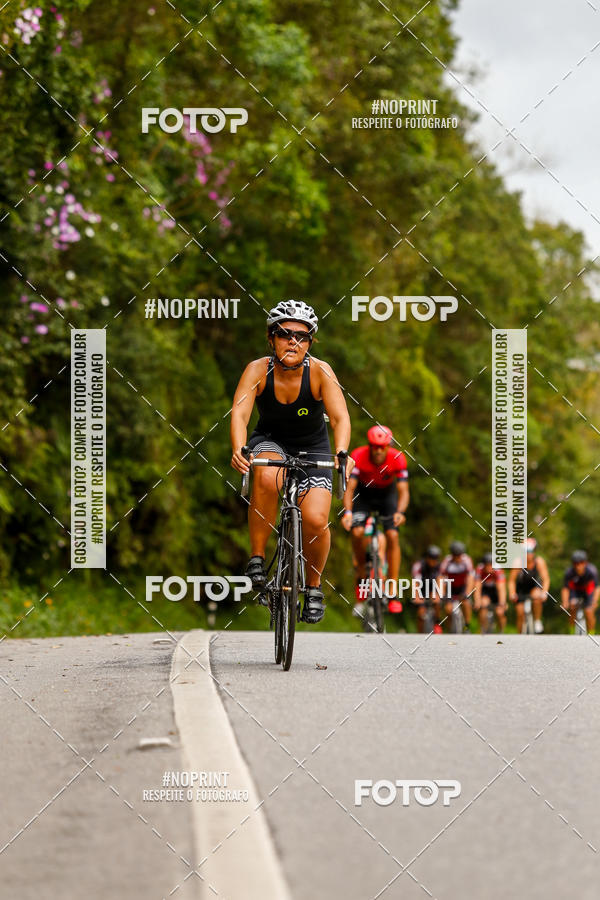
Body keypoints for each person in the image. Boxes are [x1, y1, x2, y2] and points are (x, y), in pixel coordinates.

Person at [230, 300, 352, 624]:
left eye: (302, 335)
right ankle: (257, 558)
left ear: (310, 342)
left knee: (315, 520)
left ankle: (313, 587)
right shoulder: (258, 370)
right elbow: (240, 413)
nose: (293, 341)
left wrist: (341, 453)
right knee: (267, 477)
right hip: (270, 441)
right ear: (271, 339)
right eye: (284, 334)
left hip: (313, 448)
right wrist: (238, 448)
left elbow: (340, 418)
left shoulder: (321, 371)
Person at [341, 425, 409, 616]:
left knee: (392, 535)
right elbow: (350, 488)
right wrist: (347, 512)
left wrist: (400, 512)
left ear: (389, 446)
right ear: (370, 445)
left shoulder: (398, 458)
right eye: (374, 446)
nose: (378, 450)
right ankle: (361, 568)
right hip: (364, 496)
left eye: (382, 446)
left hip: (387, 496)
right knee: (356, 531)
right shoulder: (359, 455)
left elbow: (403, 491)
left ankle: (392, 589)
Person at [508, 537, 550, 634]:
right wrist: (512, 593)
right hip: (521, 588)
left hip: (534, 586)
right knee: (520, 613)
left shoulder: (539, 562)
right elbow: (511, 581)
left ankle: (537, 621)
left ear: (534, 551)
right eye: (525, 551)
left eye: (530, 551)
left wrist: (544, 593)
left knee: (536, 596)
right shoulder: (518, 562)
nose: (528, 554)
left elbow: (546, 579)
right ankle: (520, 634)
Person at [437, 541, 475, 631]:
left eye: (459, 555)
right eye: (455, 555)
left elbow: (470, 577)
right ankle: (449, 629)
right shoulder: (447, 561)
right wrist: (441, 593)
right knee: (448, 609)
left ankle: (467, 625)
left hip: (462, 587)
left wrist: (468, 592)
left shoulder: (467, 560)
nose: (457, 558)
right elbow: (440, 577)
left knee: (466, 604)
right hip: (450, 588)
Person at [561, 550, 599, 634]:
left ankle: (591, 633)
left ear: (585, 563)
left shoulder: (592, 571)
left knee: (589, 611)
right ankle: (571, 631)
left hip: (588, 591)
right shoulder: (569, 572)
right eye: (575, 563)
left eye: (581, 563)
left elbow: (596, 587)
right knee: (572, 607)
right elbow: (565, 588)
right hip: (575, 591)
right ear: (573, 564)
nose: (578, 566)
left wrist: (595, 601)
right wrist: (565, 602)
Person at [412, 545, 443, 633]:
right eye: (432, 558)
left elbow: (441, 580)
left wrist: (439, 594)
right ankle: (420, 633)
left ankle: (437, 622)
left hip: (433, 588)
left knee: (437, 601)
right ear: (427, 557)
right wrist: (417, 596)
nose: (434, 561)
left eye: (436, 558)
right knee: (421, 612)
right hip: (421, 589)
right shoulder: (419, 566)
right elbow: (415, 582)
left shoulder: (440, 566)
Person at [474, 552, 507, 633]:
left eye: (490, 565)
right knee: (483, 604)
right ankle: (483, 629)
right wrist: (477, 601)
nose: (489, 568)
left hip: (496, 591)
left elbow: (501, 589)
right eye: (487, 565)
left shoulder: (498, 570)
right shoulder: (479, 569)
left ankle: (501, 630)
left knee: (500, 612)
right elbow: (477, 588)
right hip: (485, 591)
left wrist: (502, 603)